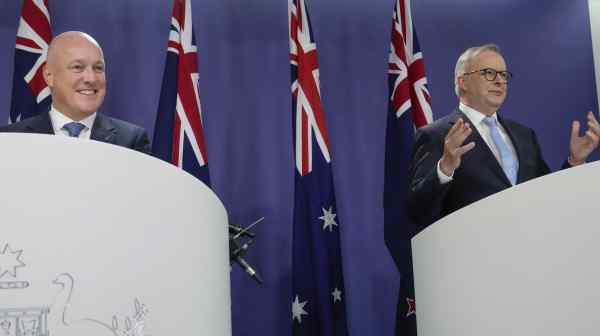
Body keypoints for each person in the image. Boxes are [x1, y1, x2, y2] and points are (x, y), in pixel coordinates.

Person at [407, 44, 600, 230]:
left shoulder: (524, 135)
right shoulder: (436, 135)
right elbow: (418, 213)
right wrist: (445, 168)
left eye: (504, 75)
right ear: (462, 81)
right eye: (489, 73)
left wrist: (575, 161)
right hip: (474, 255)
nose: (500, 81)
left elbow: (547, 195)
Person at [0, 31, 150, 154]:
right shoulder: (11, 138)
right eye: (77, 67)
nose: (91, 78)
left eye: (98, 68)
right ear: (49, 76)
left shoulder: (131, 141)